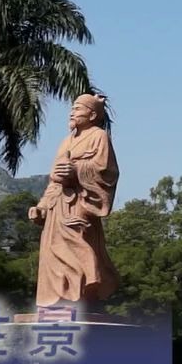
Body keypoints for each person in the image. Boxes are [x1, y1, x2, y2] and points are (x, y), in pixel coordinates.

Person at [29, 92, 120, 307]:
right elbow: (56, 180)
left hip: (81, 204)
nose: (72, 112)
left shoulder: (99, 136)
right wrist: (41, 207)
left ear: (92, 115)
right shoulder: (65, 141)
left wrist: (76, 170)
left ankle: (82, 298)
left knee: (79, 249)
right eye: (72, 109)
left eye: (78, 109)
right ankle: (57, 300)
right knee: (53, 254)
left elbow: (106, 172)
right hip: (57, 208)